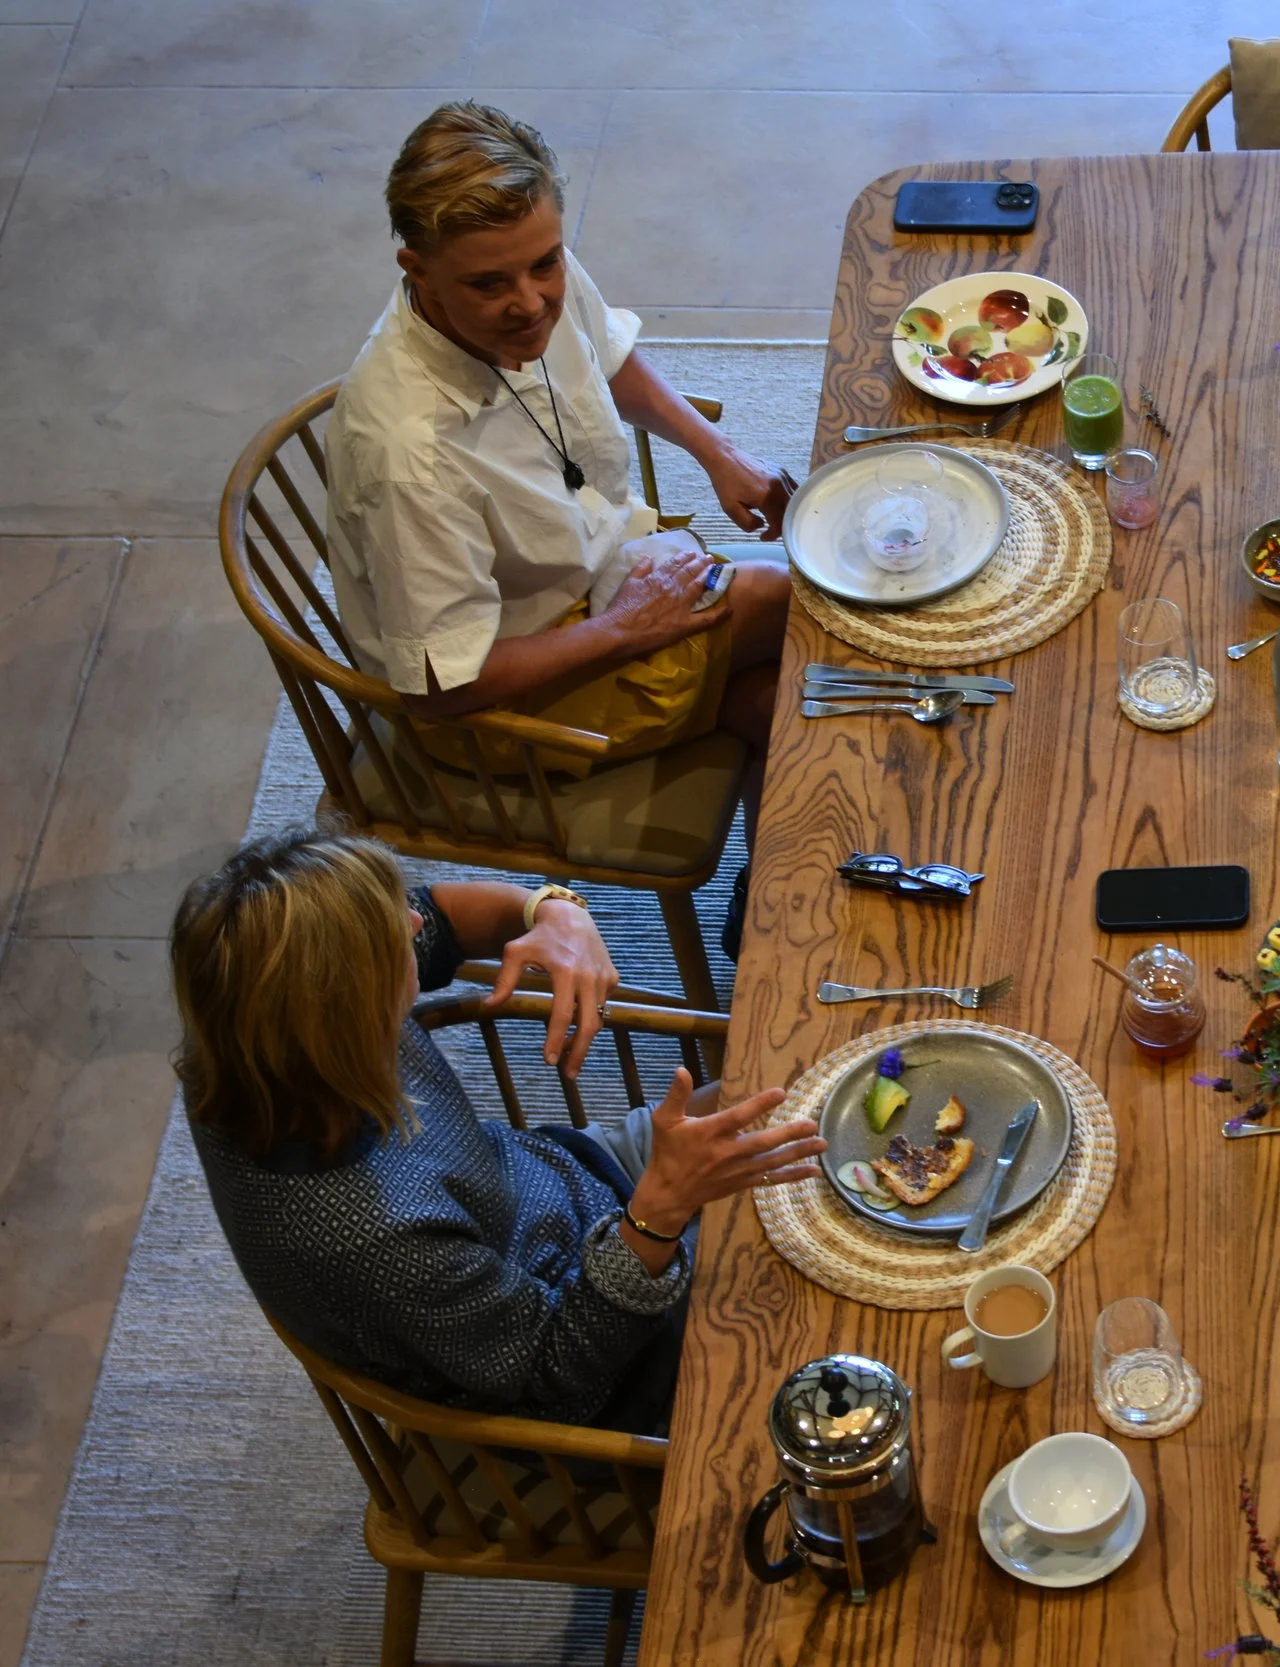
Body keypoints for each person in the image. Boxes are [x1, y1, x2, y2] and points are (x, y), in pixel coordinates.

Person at [172, 828, 826, 1433]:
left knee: (804, 1086)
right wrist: (659, 1213)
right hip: (605, 1360)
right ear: (349, 1009)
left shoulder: (259, 1036)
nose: (414, 921)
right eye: (393, 936)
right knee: (836, 1309)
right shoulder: (373, 1235)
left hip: (563, 1181)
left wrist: (551, 908)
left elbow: (443, 918)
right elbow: (553, 1361)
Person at [326, 101, 790, 952]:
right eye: (490, 284)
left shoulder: (537, 277)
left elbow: (606, 356)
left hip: (594, 582)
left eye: (546, 263)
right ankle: (773, 918)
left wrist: (715, 451)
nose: (532, 300)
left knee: (778, 700)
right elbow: (442, 687)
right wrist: (622, 632)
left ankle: (767, 912)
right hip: (503, 702)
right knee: (802, 607)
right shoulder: (408, 452)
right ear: (415, 270)